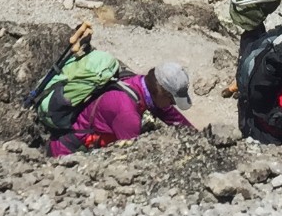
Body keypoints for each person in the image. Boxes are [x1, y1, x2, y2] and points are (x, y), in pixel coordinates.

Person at [47, 62, 196, 157]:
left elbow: (168, 113)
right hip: (67, 156)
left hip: (64, 140)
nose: (172, 105)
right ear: (160, 92)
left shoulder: (136, 82)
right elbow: (130, 156)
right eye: (171, 100)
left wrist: (196, 137)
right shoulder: (128, 115)